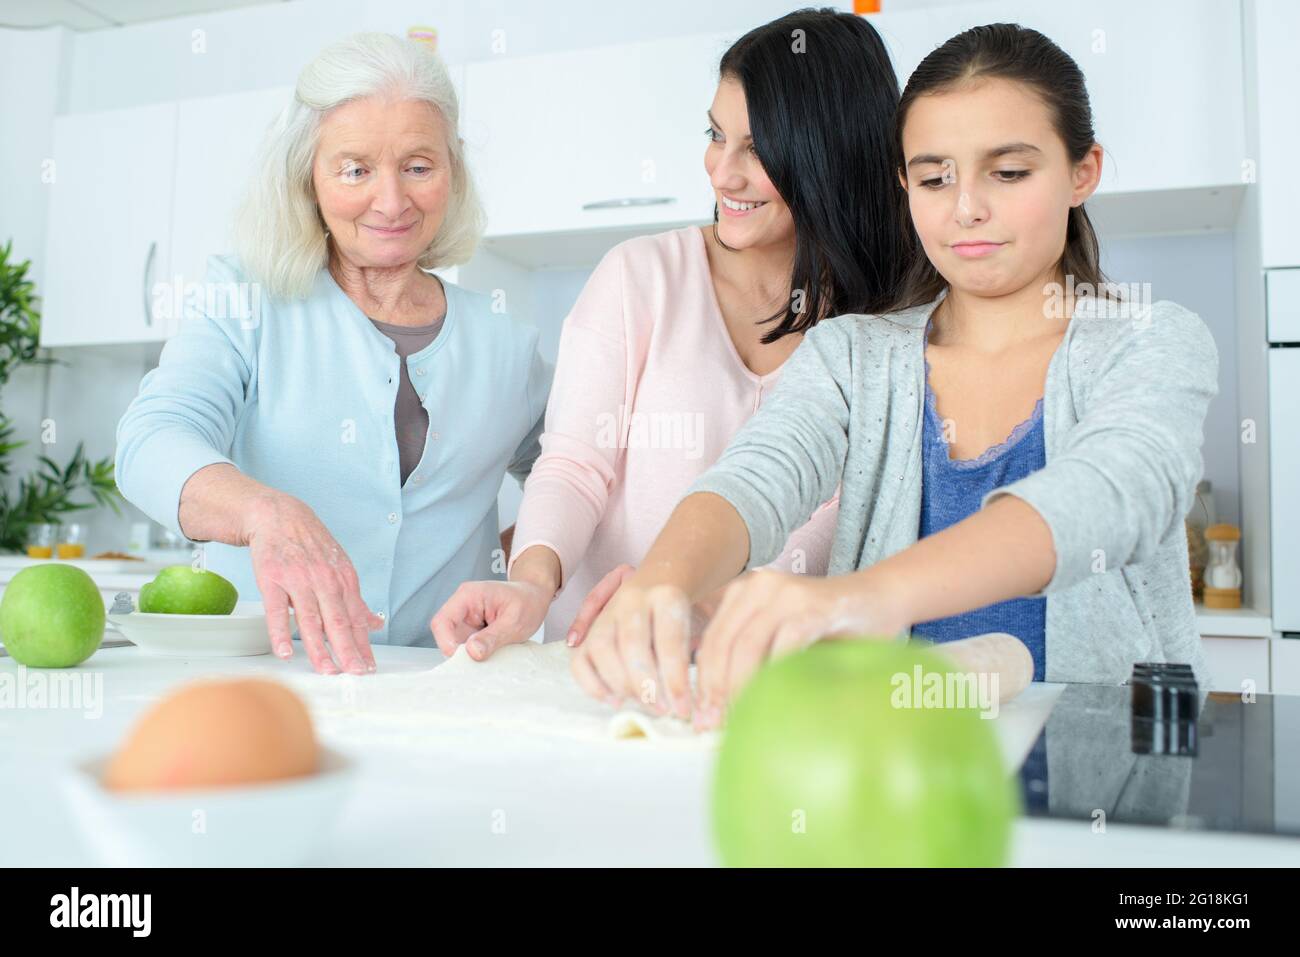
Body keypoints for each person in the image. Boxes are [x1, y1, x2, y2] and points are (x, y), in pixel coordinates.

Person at [575, 22, 1217, 728]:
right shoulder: (856, 355)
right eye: (935, 176)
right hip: (896, 765)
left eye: (1007, 172)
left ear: (1082, 171)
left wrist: (870, 594)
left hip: (1112, 774)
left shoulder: (1151, 341)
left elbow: (1111, 489)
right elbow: (755, 477)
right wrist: (661, 586)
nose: (966, 205)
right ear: (903, 183)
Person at [429, 9, 912, 694]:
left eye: (758, 147)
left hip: (780, 688)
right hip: (604, 671)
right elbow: (572, 463)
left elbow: (828, 518)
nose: (724, 172)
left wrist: (701, 602)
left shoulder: (881, 328)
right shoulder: (639, 277)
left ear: (829, 154)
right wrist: (533, 584)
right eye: (716, 136)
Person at [115, 33, 550, 675]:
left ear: (451, 172)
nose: (392, 200)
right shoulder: (248, 297)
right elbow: (150, 441)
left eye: (418, 166)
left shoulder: (506, 343)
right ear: (308, 178)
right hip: (261, 670)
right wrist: (266, 513)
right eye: (355, 169)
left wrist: (525, 571)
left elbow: (574, 481)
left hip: (441, 686)